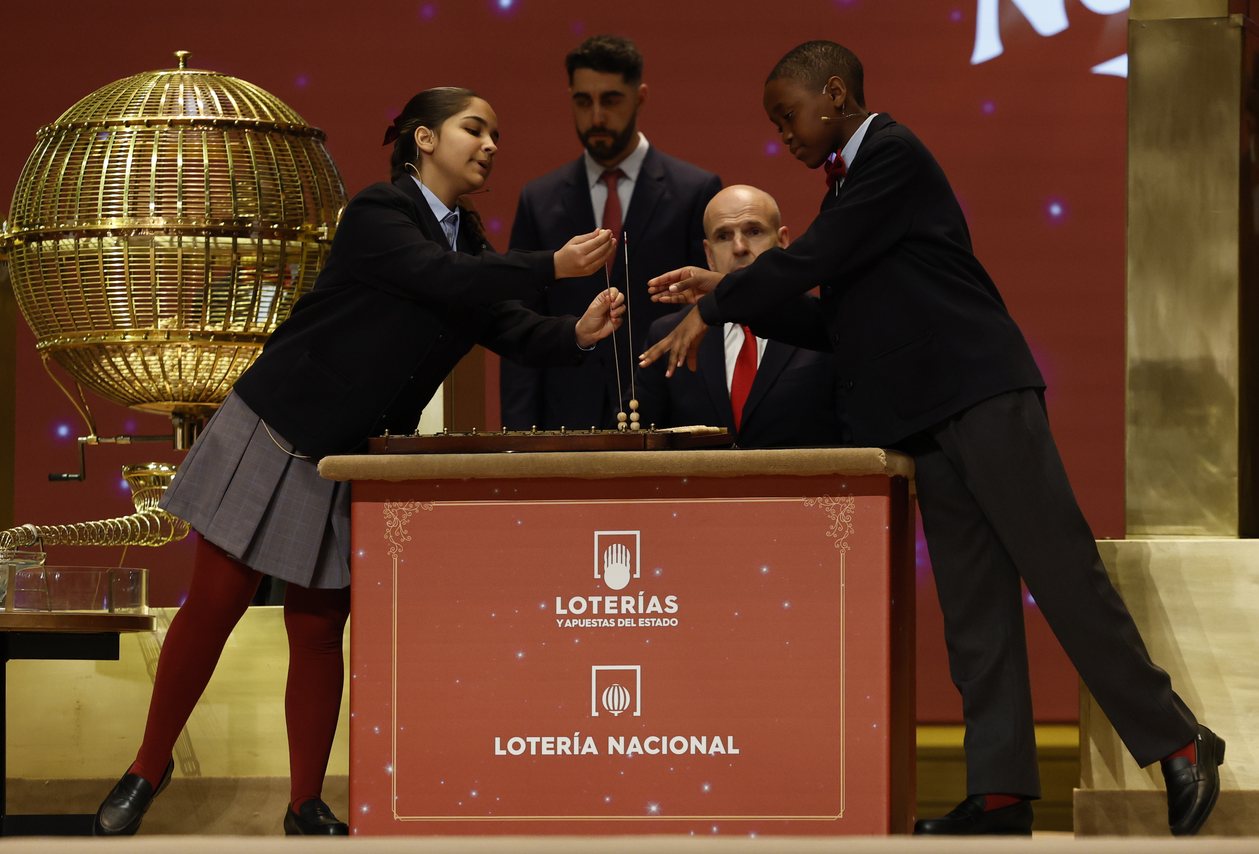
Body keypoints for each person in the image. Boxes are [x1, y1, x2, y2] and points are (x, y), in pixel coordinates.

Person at [641, 41, 1222, 837]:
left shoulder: (890, 152)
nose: (784, 134)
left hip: (981, 393)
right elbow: (829, 320)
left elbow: (813, 257)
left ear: (835, 95)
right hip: (924, 415)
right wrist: (731, 295)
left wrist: (716, 304)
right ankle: (1002, 792)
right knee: (973, 606)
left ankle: (1180, 741)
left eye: (789, 115)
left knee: (1060, 573)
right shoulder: (848, 191)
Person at [92, 87, 624, 837]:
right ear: (422, 138)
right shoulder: (379, 213)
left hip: (347, 456)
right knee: (215, 604)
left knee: (318, 627)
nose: (491, 145)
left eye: (497, 133)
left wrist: (579, 332)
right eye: (475, 128)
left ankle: (304, 803)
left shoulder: (470, 243)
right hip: (277, 425)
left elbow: (507, 324)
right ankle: (147, 767)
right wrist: (550, 265)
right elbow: (434, 279)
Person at [500, 34, 722, 431]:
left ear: (640, 97)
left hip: (667, 408)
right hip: (565, 414)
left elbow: (706, 309)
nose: (597, 117)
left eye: (611, 100)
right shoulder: (539, 199)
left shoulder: (695, 190)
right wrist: (519, 434)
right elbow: (520, 320)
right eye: (583, 102)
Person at [637, 184, 838, 447]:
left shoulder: (826, 323)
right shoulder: (667, 334)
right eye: (723, 236)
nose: (740, 247)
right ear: (708, 255)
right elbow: (638, 445)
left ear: (782, 242)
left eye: (754, 231)